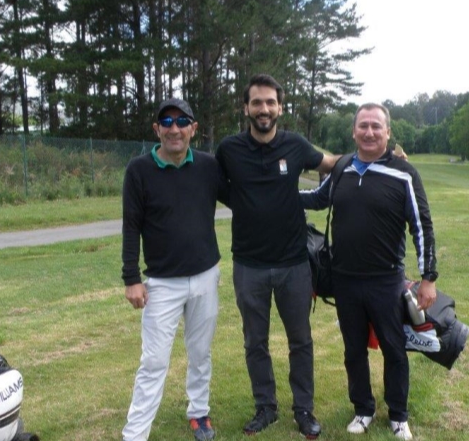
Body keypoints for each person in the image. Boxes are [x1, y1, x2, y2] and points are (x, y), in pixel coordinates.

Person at [300, 103, 438, 440]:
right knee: (353, 351)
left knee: (393, 349)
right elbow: (318, 198)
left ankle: (398, 415)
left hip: (386, 281)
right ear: (354, 131)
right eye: (363, 125)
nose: (370, 132)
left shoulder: (404, 173)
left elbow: (422, 227)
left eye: (377, 126)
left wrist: (428, 278)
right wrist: (278, 194)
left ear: (388, 132)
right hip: (345, 280)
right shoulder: (344, 167)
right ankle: (363, 409)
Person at [215, 74, 337, 439]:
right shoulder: (229, 149)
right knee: (255, 341)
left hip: (294, 265)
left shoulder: (296, 145)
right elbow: (212, 183)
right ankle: (265, 407)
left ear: (280, 108)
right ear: (246, 108)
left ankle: (304, 409)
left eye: (270, 102)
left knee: (301, 340)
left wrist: (378, 156)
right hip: (248, 265)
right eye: (257, 102)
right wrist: (245, 203)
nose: (263, 109)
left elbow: (331, 163)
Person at [121, 98, 228, 441]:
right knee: (153, 362)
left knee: (200, 352)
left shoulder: (209, 166)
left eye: (182, 121)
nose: (174, 128)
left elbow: (246, 195)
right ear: (157, 130)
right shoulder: (138, 170)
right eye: (166, 122)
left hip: (205, 276)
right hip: (161, 284)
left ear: (193, 129)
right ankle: (135, 434)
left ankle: (199, 413)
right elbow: (131, 226)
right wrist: (131, 278)